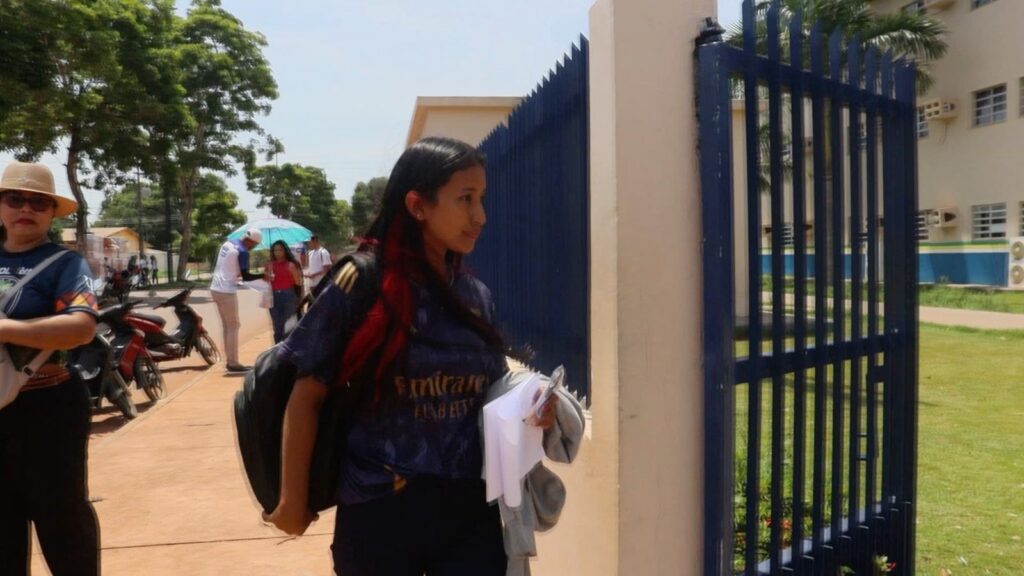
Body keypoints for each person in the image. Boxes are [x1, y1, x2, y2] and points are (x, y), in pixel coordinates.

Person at [265, 137, 558, 575]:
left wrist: (532, 410)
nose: (480, 216)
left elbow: (492, 395)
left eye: (481, 198)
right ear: (418, 205)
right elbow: (307, 395)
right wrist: (292, 500)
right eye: (465, 199)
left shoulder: (475, 296)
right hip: (378, 510)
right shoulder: (361, 282)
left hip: (468, 511)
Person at [0, 162, 100, 575]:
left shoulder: (64, 264)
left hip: (48, 409)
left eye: (39, 203)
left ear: (51, 214)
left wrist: (4, 328)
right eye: (15, 199)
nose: (26, 208)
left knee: (62, 521)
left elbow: (80, 328)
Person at [210, 228, 264, 373]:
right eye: (255, 245)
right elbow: (246, 276)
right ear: (252, 242)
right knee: (233, 326)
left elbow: (231, 267)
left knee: (227, 326)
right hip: (226, 291)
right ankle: (233, 363)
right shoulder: (243, 251)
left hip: (215, 288)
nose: (253, 248)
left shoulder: (228, 244)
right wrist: (262, 275)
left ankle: (230, 360)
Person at [264, 240, 303, 344]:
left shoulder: (291, 265)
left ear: (285, 251)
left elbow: (298, 283)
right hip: (273, 297)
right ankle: (278, 349)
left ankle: (290, 348)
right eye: (275, 250)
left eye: (280, 250)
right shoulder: (269, 265)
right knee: (277, 327)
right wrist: (268, 276)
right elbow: (265, 281)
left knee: (290, 325)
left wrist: (298, 298)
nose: (277, 252)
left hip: (288, 296)